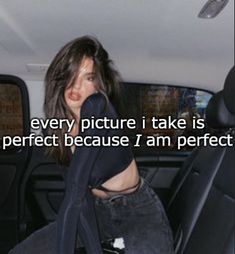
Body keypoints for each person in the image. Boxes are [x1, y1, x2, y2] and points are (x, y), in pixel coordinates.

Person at [9, 36, 174, 254]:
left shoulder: (100, 110)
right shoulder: (56, 128)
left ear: (98, 85)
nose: (75, 86)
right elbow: (81, 201)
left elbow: (74, 197)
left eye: (87, 78)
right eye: (71, 75)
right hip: (99, 212)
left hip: (138, 213)